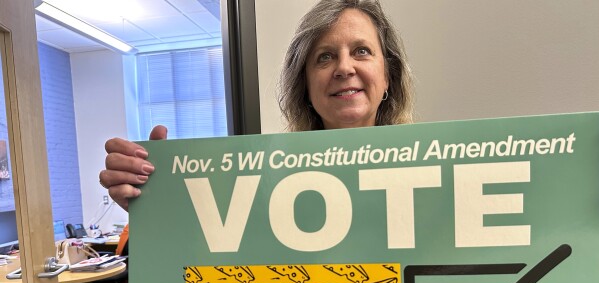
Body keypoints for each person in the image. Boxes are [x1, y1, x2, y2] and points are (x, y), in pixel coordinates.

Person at [100, 0, 414, 210]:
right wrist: (154, 203)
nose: (344, 68)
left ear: (388, 76)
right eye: (325, 57)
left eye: (361, 51)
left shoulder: (436, 173)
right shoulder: (262, 186)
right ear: (304, 85)